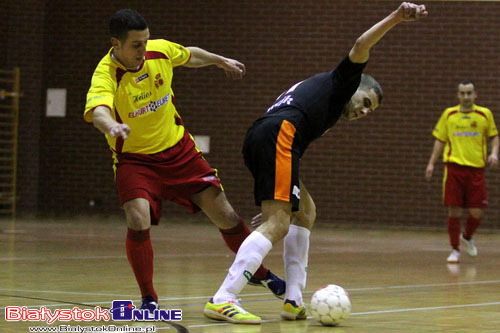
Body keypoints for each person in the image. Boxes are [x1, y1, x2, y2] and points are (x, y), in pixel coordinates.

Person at [203, 2, 428, 325]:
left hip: (265, 134)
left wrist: (281, 195)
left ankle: (293, 300)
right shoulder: (343, 81)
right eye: (366, 103)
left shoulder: (324, 100)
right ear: (358, 87)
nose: (364, 112)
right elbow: (361, 45)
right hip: (280, 134)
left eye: (370, 112)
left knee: (304, 210)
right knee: (278, 224)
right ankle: (225, 296)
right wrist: (396, 17)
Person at [83, 9, 285, 311]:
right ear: (116, 44)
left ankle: (260, 274)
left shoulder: (157, 52)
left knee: (227, 216)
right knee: (138, 218)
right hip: (135, 161)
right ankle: (149, 298)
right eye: (136, 45)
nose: (144, 49)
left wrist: (219, 61)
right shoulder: (105, 74)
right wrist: (111, 125)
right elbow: (98, 109)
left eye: (146, 41)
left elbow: (189, 55)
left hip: (179, 152)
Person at [426, 80, 499, 264]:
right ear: (458, 95)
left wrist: (494, 153)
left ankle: (467, 236)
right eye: (463, 93)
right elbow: (440, 140)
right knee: (454, 209)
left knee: (477, 212)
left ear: (475, 95)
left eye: (469, 93)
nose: (466, 96)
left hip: (476, 170)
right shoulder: (449, 115)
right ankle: (455, 250)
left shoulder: (484, 114)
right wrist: (431, 163)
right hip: (454, 169)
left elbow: (494, 136)